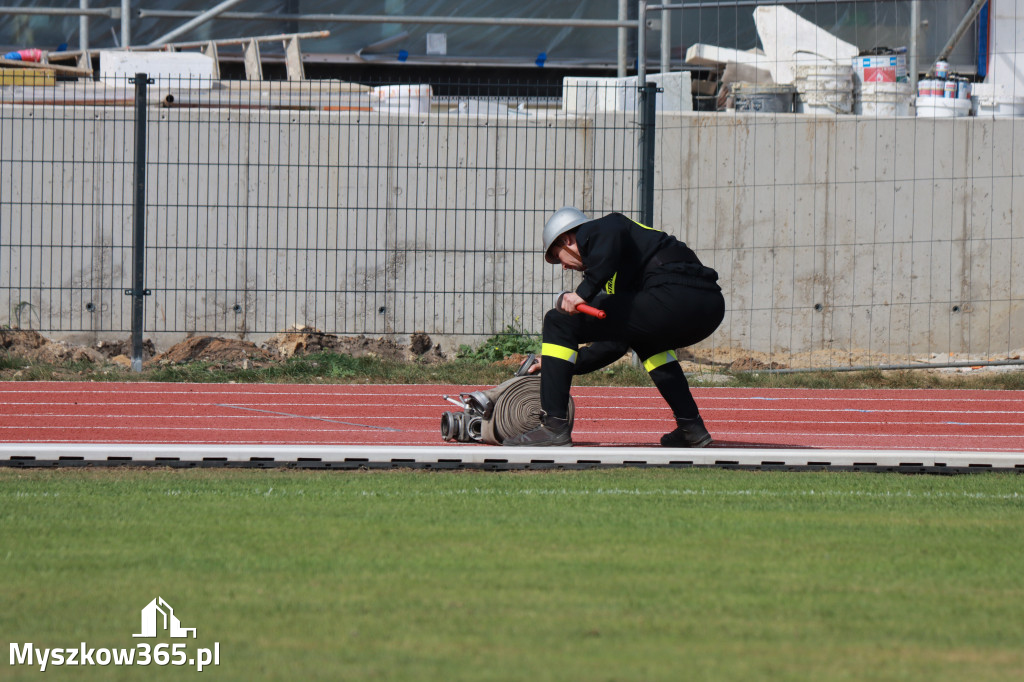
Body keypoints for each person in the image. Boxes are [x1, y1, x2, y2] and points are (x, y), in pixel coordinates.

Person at [503, 207, 725, 447]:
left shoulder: (599, 229)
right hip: (708, 307)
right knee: (648, 342)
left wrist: (582, 294)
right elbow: (613, 346)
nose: (564, 267)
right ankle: (691, 426)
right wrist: (556, 364)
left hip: (674, 296)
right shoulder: (620, 275)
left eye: (558, 257)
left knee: (558, 320)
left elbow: (614, 227)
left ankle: (553, 427)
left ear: (567, 239)